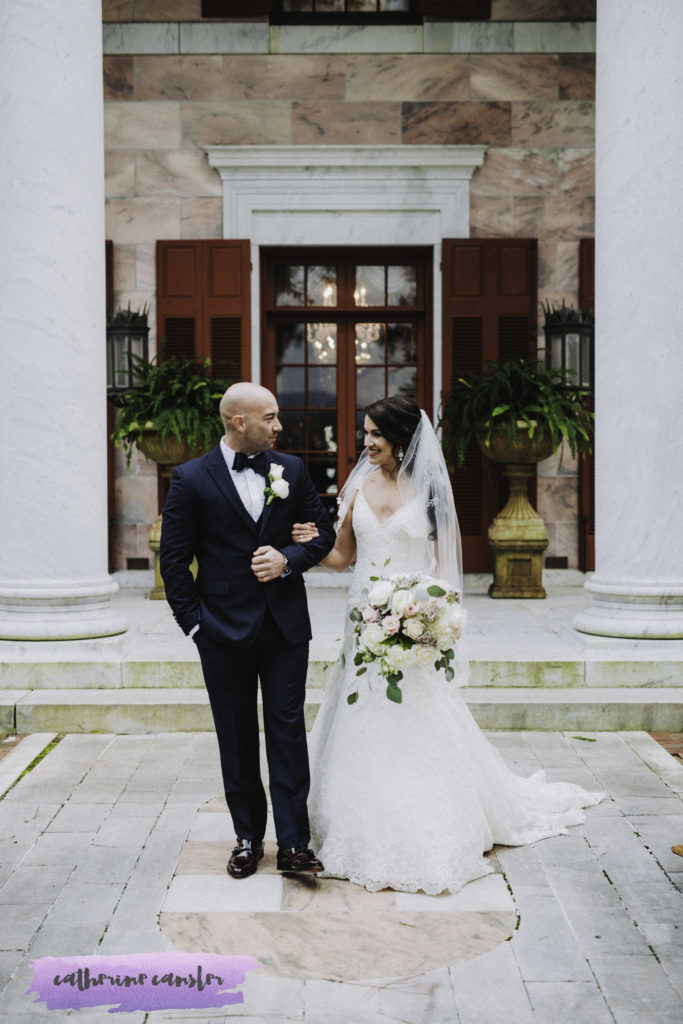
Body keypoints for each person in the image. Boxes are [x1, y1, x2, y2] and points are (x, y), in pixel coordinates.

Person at [293, 395, 605, 895]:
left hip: (415, 622)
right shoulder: (356, 488)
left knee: (420, 716)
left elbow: (444, 567)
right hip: (364, 623)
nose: (366, 443)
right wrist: (312, 542)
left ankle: (434, 814)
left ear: (401, 439)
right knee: (360, 715)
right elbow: (342, 556)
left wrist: (432, 618)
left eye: (376, 434)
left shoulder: (431, 490)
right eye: (365, 434)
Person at [160, 382, 335, 879]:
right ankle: (246, 838)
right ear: (240, 422)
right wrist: (195, 626)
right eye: (271, 418)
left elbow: (323, 533)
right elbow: (173, 561)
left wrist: (288, 560)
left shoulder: (292, 470)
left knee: (287, 732)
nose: (280, 427)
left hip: (284, 629)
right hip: (220, 631)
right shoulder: (191, 479)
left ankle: (295, 845)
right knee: (235, 736)